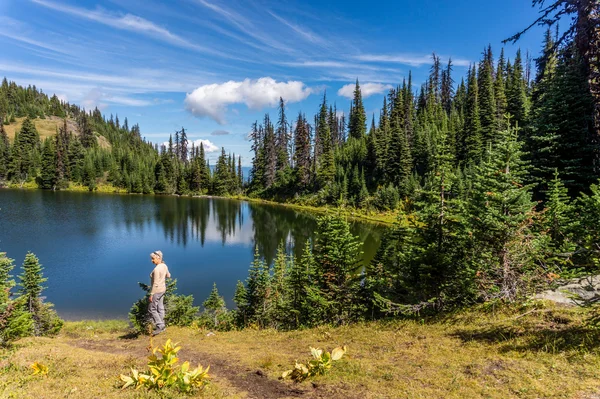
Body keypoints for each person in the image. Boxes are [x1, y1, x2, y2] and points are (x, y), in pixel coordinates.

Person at [148, 250, 171, 336]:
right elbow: (168, 275)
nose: (152, 260)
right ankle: (162, 326)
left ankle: (160, 326)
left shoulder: (157, 269)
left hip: (157, 291)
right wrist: (163, 275)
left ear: (158, 258)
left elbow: (156, 283)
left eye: (153, 259)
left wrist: (151, 294)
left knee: (152, 309)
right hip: (163, 289)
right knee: (160, 308)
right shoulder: (164, 265)